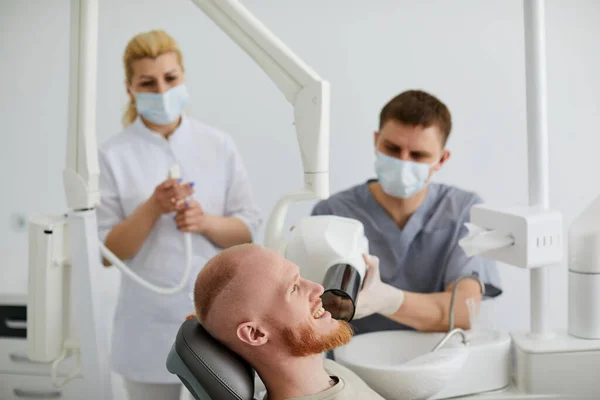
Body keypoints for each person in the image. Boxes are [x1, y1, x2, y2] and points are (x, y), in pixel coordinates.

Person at [96, 30, 262, 400]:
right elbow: (108, 252)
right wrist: (152, 208)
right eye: (147, 83)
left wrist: (205, 223)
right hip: (147, 328)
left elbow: (247, 230)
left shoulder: (217, 144)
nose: (161, 91)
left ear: (183, 76)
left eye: (170, 79)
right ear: (130, 88)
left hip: (217, 322)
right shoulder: (113, 154)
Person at [312, 89, 502, 335]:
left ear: (442, 159)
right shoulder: (333, 212)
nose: (403, 162)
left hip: (435, 363)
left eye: (418, 155)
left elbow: (464, 311)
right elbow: (314, 309)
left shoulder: (465, 211)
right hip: (352, 363)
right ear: (376, 142)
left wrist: (388, 300)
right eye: (391, 148)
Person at [193, 243, 385, 400]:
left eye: (300, 278)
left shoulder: (327, 371)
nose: (318, 288)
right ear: (255, 333)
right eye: (294, 288)